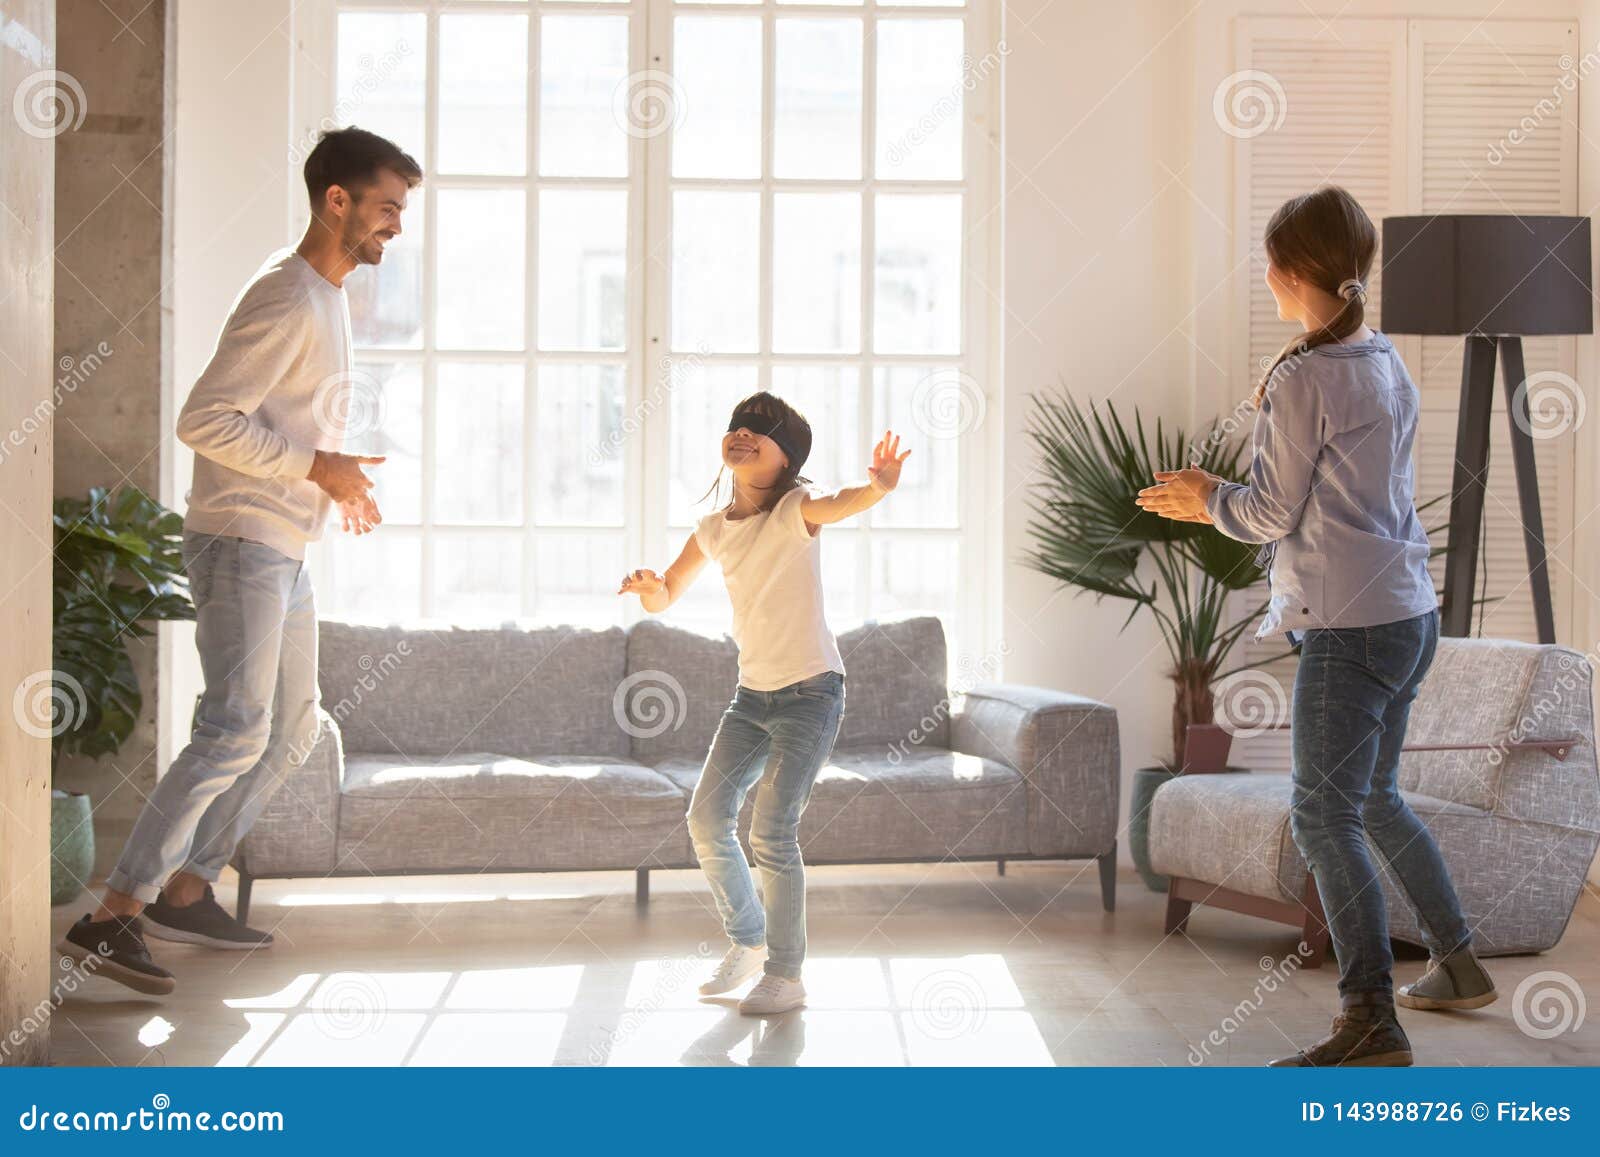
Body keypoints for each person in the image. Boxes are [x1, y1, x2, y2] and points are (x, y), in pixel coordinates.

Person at [1136, 185, 1497, 1067]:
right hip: (1406, 613)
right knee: (1371, 799)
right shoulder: (1383, 358)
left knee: (1321, 815)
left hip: (1350, 626)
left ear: (1290, 272)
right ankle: (1456, 961)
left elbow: (1267, 510)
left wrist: (1202, 497)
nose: (1265, 274)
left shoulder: (1305, 375)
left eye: (1269, 261)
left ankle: (1370, 1016)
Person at [57, 127, 420, 995]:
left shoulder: (328, 297)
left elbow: (284, 426)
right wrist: (314, 468)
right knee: (233, 727)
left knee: (295, 726)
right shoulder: (289, 295)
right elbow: (204, 419)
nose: (396, 228)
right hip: (240, 540)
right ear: (337, 200)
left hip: (285, 544)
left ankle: (188, 886)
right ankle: (110, 915)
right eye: (387, 209)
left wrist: (333, 477)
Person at [619, 392, 911, 1015]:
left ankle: (787, 973)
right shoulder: (713, 529)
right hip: (751, 699)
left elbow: (842, 503)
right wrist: (650, 587)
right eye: (737, 428)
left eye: (760, 432)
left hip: (812, 692)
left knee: (772, 831)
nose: (742, 436)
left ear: (786, 459)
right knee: (706, 819)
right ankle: (749, 940)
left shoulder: (796, 511)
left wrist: (879, 487)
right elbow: (667, 592)